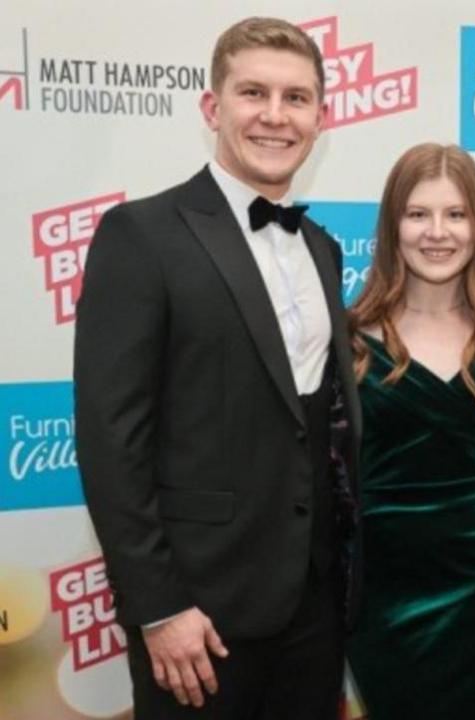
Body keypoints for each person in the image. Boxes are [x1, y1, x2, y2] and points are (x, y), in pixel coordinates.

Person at [74, 17, 359, 719]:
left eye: (296, 98)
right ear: (213, 108)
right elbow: (113, 442)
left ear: (320, 117)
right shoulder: (141, 235)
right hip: (198, 618)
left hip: (314, 609)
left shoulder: (321, 248)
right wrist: (158, 606)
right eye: (253, 92)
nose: (274, 115)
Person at [344, 143, 475, 718]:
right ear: (393, 227)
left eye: (455, 214)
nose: (437, 233)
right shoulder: (349, 338)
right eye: (418, 214)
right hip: (383, 591)